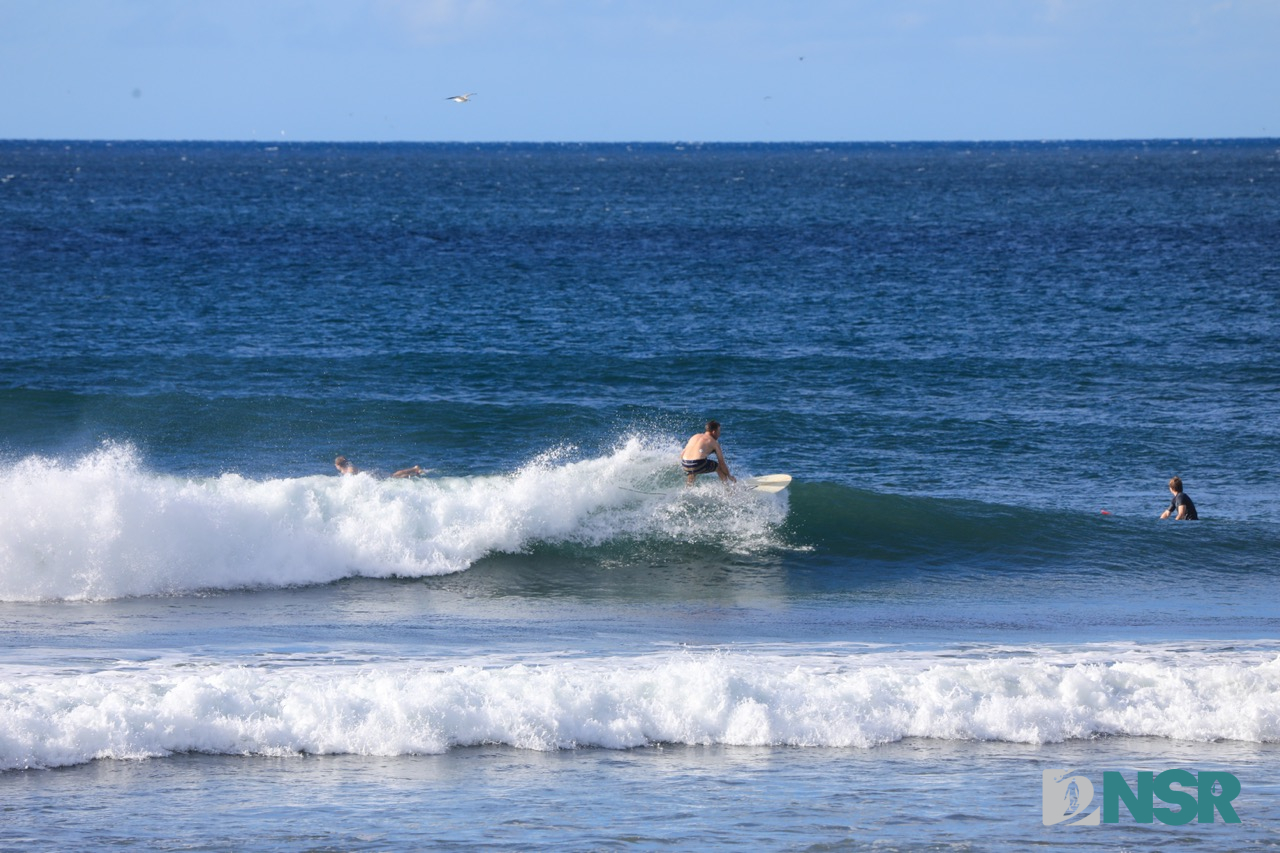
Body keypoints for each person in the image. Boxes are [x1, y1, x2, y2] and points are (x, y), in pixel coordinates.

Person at [680, 420, 736, 485]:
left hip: (685, 463)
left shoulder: (695, 436)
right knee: (719, 467)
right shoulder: (714, 442)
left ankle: (689, 487)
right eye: (719, 431)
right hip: (697, 463)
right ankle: (728, 489)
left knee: (692, 469)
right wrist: (729, 475)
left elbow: (682, 454)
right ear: (714, 432)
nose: (719, 434)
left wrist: (689, 465)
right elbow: (722, 463)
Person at [335, 456, 424, 479]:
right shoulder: (346, 469)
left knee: (393, 476)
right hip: (372, 475)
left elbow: (353, 475)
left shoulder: (349, 469)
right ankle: (414, 470)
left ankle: (415, 472)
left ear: (338, 465)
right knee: (393, 476)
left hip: (373, 476)